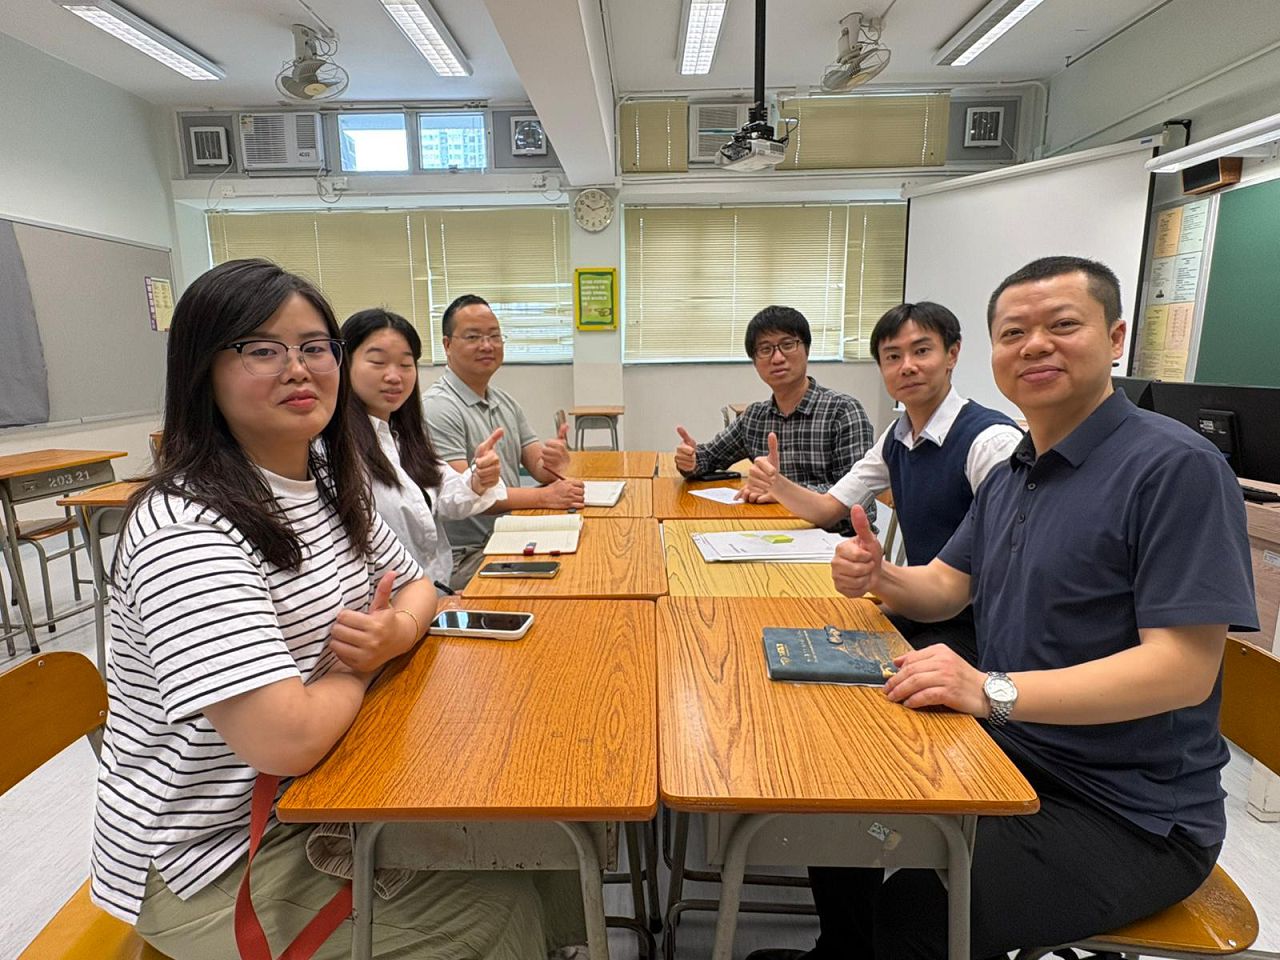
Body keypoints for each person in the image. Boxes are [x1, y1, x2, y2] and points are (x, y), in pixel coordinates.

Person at [763, 255, 1258, 960]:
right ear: (993, 352)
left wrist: (990, 690)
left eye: (1063, 325)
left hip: (1128, 812)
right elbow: (945, 586)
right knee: (838, 794)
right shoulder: (1015, 472)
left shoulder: (1174, 467)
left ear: (1116, 339)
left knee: (914, 916)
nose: (1034, 346)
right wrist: (882, 574)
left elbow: (1182, 670)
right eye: (1014, 333)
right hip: (1016, 750)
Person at [91, 259, 575, 959]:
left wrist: (397, 629)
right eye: (262, 349)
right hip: (216, 853)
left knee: (536, 828)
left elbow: (416, 585)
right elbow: (285, 738)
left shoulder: (321, 478)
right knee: (489, 915)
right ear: (201, 369)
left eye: (315, 347)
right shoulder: (185, 530)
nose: (298, 369)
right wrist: (360, 666)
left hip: (330, 780)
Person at [741, 301, 1022, 664]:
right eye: (892, 356)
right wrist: (777, 484)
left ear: (952, 354)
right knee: (794, 639)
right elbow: (827, 509)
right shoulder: (897, 437)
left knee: (845, 676)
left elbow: (1007, 578)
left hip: (983, 632)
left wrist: (880, 576)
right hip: (920, 607)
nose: (907, 366)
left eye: (921, 351)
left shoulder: (991, 443)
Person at [342, 307, 507, 597]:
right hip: (386, 607)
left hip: (432, 596)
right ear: (343, 364)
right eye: (378, 362)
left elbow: (445, 496)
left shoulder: (402, 436)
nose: (394, 376)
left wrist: (478, 479)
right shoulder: (337, 449)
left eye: (406, 365)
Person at [424, 294, 585, 589]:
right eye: (473, 337)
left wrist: (556, 461)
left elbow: (539, 469)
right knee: (571, 578)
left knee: (587, 549)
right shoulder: (437, 408)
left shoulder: (504, 401)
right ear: (447, 345)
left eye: (494, 336)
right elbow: (467, 497)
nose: (487, 345)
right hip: (469, 556)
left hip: (510, 534)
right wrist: (545, 497)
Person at [672, 304, 878, 525]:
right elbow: (708, 457)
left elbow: (857, 499)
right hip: (771, 529)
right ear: (755, 361)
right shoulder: (754, 417)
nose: (777, 358)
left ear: (807, 349)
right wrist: (690, 461)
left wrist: (783, 491)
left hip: (836, 537)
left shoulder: (843, 412)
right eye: (765, 349)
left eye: (788, 345)